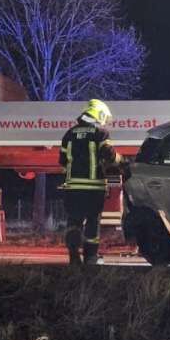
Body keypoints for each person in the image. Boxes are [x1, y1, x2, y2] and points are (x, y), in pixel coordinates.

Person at [59, 98, 119, 265]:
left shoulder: (69, 134)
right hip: (94, 188)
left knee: (74, 220)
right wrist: (122, 162)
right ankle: (91, 257)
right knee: (92, 221)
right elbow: (109, 156)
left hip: (72, 187)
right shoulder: (100, 133)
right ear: (99, 114)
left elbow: (62, 161)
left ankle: (73, 256)